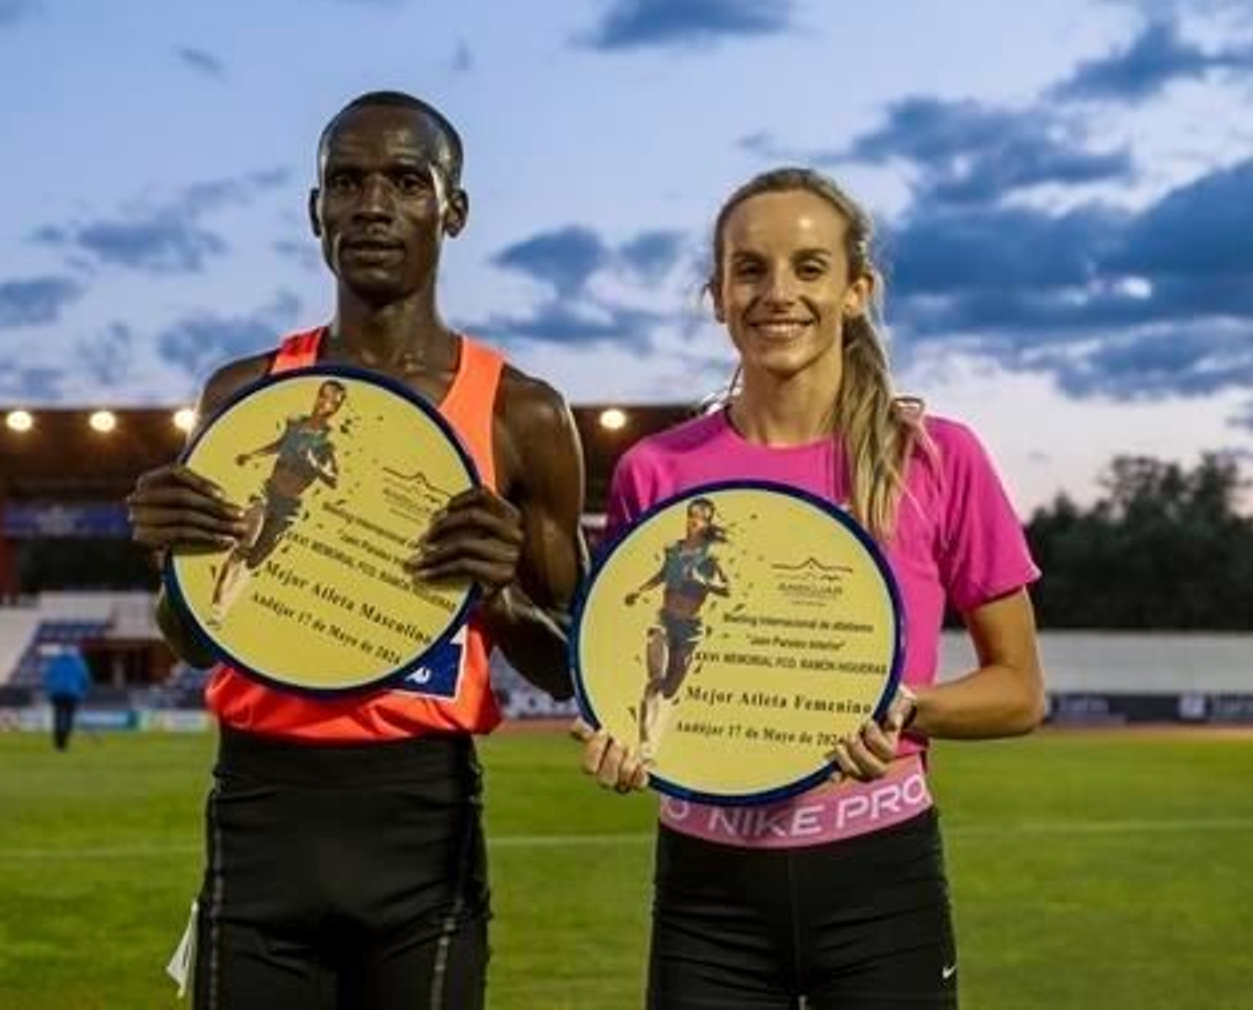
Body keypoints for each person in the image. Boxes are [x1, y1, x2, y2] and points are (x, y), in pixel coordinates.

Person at [126, 91, 586, 1009]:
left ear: (453, 211)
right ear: (316, 212)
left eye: (406, 181)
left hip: (423, 825)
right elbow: (192, 637)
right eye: (347, 182)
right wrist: (168, 558)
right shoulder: (245, 395)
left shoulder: (521, 413)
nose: (373, 205)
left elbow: (573, 665)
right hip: (261, 809)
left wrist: (495, 595)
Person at [574, 167, 1045, 1008]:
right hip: (707, 891)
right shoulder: (656, 471)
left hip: (879, 882)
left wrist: (907, 709)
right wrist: (618, 735)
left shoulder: (936, 457)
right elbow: (624, 673)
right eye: (749, 269)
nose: (777, 293)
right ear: (717, 296)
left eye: (810, 267)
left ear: (857, 290)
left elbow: (1019, 691)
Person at [208, 378, 346, 626]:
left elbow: (334, 480)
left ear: (336, 408)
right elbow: (279, 444)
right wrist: (252, 454)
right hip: (267, 491)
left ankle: (223, 610)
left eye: (332, 402)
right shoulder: (295, 424)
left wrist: (316, 464)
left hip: (289, 506)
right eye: (323, 396)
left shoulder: (328, 443)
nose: (325, 404)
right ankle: (216, 605)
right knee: (243, 545)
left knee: (253, 561)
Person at [623, 496, 729, 763]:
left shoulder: (711, 559)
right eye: (691, 515)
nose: (694, 522)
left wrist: (704, 581)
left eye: (701, 518)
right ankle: (644, 743)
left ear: (708, 524)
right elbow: (662, 575)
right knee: (655, 678)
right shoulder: (672, 549)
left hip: (690, 628)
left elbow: (727, 590)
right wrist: (640, 590)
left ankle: (655, 739)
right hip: (664, 620)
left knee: (670, 690)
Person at [41, 641, 92, 752]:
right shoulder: (79, 663)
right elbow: (86, 679)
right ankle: (65, 744)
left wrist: (50, 691)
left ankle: (58, 745)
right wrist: (82, 693)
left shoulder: (55, 662)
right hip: (72, 694)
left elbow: (48, 677)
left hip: (57, 694)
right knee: (69, 719)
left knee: (58, 719)